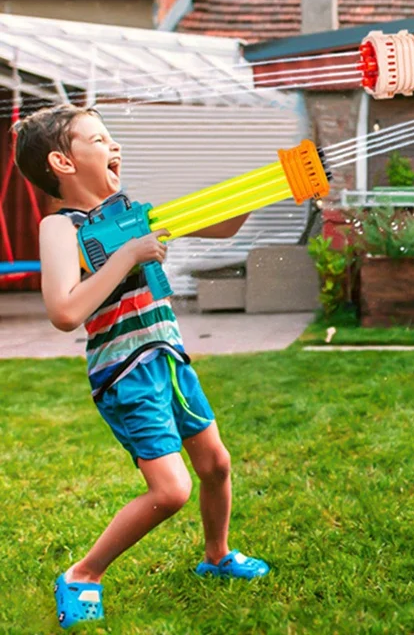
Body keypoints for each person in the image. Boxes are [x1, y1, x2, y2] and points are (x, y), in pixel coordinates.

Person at [13, 104, 269, 630]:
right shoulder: (60, 228)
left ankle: (217, 556)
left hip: (169, 359)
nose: (115, 147)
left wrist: (266, 185)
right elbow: (64, 312)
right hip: (126, 372)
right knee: (171, 490)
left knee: (216, 466)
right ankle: (83, 575)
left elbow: (221, 227)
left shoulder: (134, 213)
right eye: (100, 139)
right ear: (63, 162)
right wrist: (130, 254)